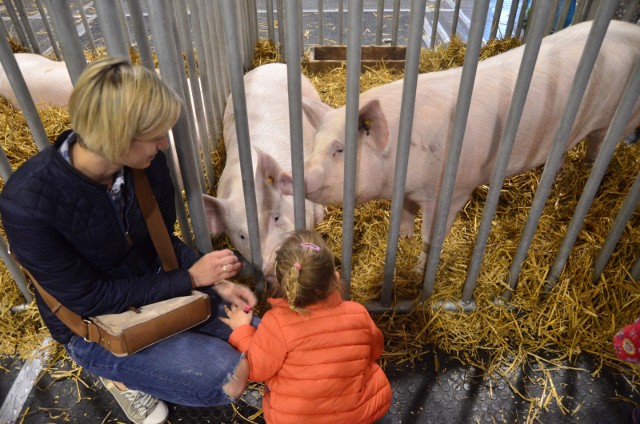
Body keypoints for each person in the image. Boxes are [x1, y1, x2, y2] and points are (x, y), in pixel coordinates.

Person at [0, 56, 258, 424]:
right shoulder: (26, 203)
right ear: (117, 136)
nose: (164, 146)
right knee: (229, 376)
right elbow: (89, 298)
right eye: (155, 136)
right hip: (95, 326)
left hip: (155, 288)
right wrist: (191, 279)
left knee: (264, 339)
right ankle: (116, 377)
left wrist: (218, 283)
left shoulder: (143, 164)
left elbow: (158, 240)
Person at [221, 229, 392, 423]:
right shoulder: (358, 312)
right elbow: (376, 350)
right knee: (371, 372)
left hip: (296, 419)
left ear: (280, 283)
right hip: (357, 415)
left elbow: (256, 369)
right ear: (335, 277)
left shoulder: (276, 322)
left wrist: (242, 330)